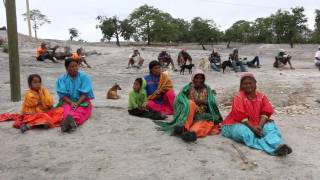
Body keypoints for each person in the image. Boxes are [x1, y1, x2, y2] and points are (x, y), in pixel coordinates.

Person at [221, 73, 292, 156]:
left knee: (270, 128)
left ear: (255, 84)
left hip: (257, 123)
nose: (248, 86)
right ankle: (272, 149)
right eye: (245, 84)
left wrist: (260, 126)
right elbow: (239, 116)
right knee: (246, 133)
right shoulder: (238, 97)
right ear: (242, 86)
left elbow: (265, 112)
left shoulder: (262, 97)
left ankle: (278, 144)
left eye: (250, 83)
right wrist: (253, 129)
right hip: (235, 123)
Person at [156, 69, 222, 142]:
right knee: (190, 103)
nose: (199, 80)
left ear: (203, 79)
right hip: (188, 113)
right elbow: (179, 100)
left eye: (201, 78)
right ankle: (184, 127)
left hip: (202, 114)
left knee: (203, 124)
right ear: (193, 78)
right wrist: (188, 102)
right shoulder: (187, 88)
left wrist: (202, 101)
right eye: (197, 78)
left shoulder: (207, 89)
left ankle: (191, 134)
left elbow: (212, 102)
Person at [56, 59, 94, 132]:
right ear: (67, 68)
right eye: (72, 66)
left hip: (82, 101)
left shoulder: (84, 77)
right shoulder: (62, 79)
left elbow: (85, 93)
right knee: (66, 110)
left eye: (76, 66)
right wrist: (71, 102)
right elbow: (62, 94)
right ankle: (67, 122)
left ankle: (73, 123)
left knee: (80, 111)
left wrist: (77, 103)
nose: (74, 68)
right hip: (67, 101)